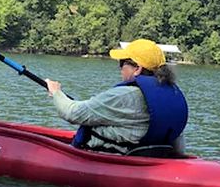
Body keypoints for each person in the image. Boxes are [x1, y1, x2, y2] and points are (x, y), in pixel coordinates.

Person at [44, 39, 189, 154]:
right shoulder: (171, 93)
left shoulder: (125, 95)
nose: (120, 69)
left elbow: (71, 113)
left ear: (137, 68)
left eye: (122, 63)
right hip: (153, 157)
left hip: (114, 158)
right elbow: (178, 146)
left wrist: (56, 92)